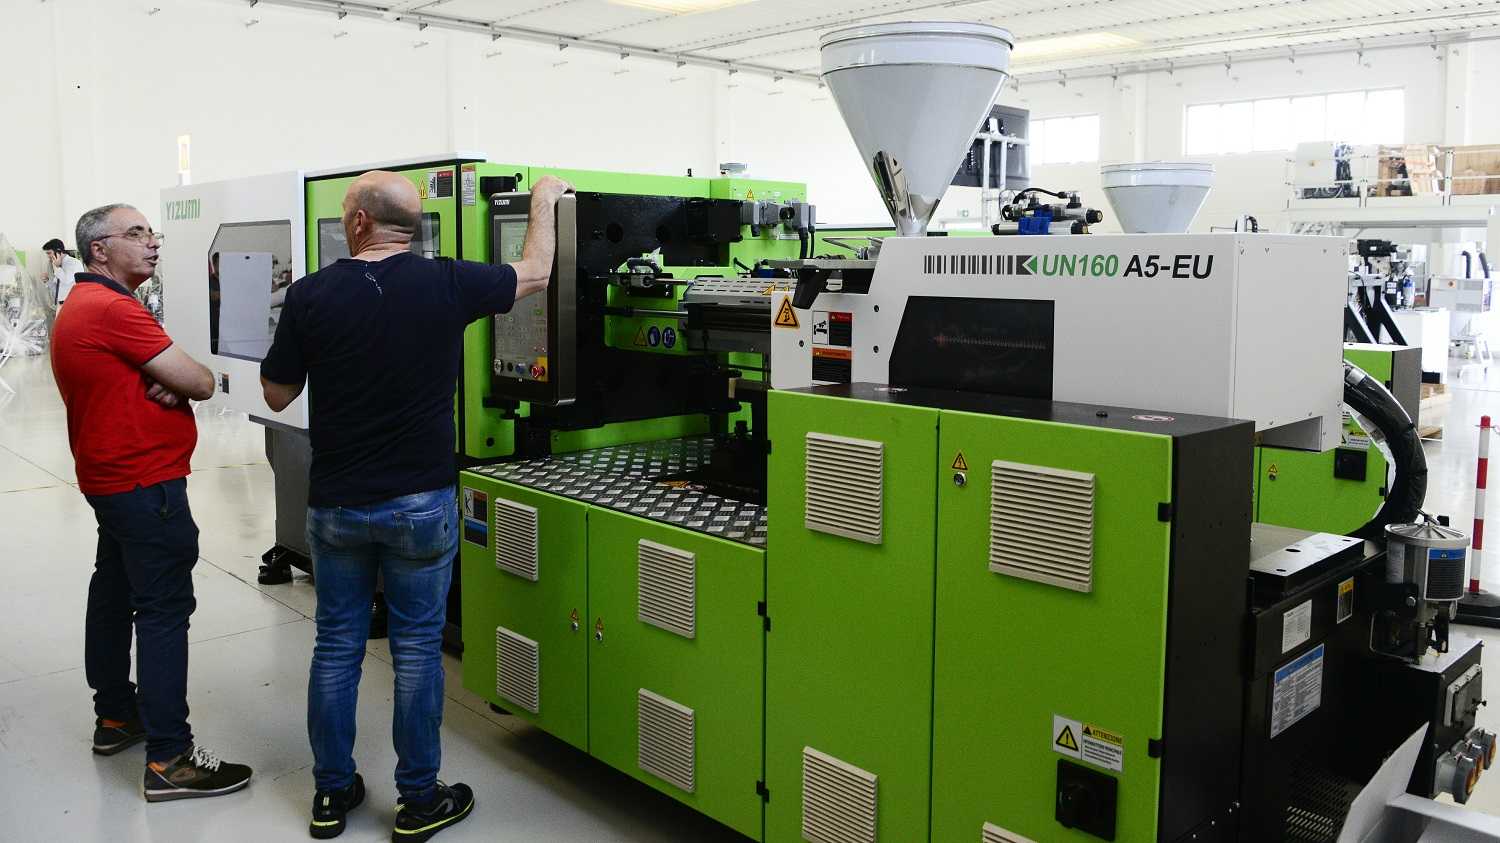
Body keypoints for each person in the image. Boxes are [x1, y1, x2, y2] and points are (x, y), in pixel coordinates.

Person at [260, 171, 568, 841]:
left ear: (360, 223)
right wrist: (544, 196)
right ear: (412, 226)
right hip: (421, 505)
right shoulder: (447, 282)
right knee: (419, 650)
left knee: (336, 645)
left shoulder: (311, 294)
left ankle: (330, 793)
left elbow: (277, 393)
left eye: (347, 211)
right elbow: (538, 272)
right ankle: (419, 799)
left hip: (337, 506)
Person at [50, 203, 254, 802]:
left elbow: (173, 377)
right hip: (145, 485)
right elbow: (200, 380)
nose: (152, 243)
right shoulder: (113, 308)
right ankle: (170, 757)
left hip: (111, 480)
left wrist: (172, 378)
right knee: (163, 609)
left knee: (114, 593)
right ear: (99, 250)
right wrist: (186, 380)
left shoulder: (82, 304)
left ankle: (116, 716)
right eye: (136, 233)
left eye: (151, 233)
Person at [43, 237, 85, 308]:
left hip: (73, 304)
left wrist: (57, 267)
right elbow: (57, 290)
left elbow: (66, 280)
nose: (48, 256)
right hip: (61, 305)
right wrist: (47, 281)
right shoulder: (58, 265)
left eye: (49, 253)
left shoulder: (74, 263)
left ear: (58, 251)